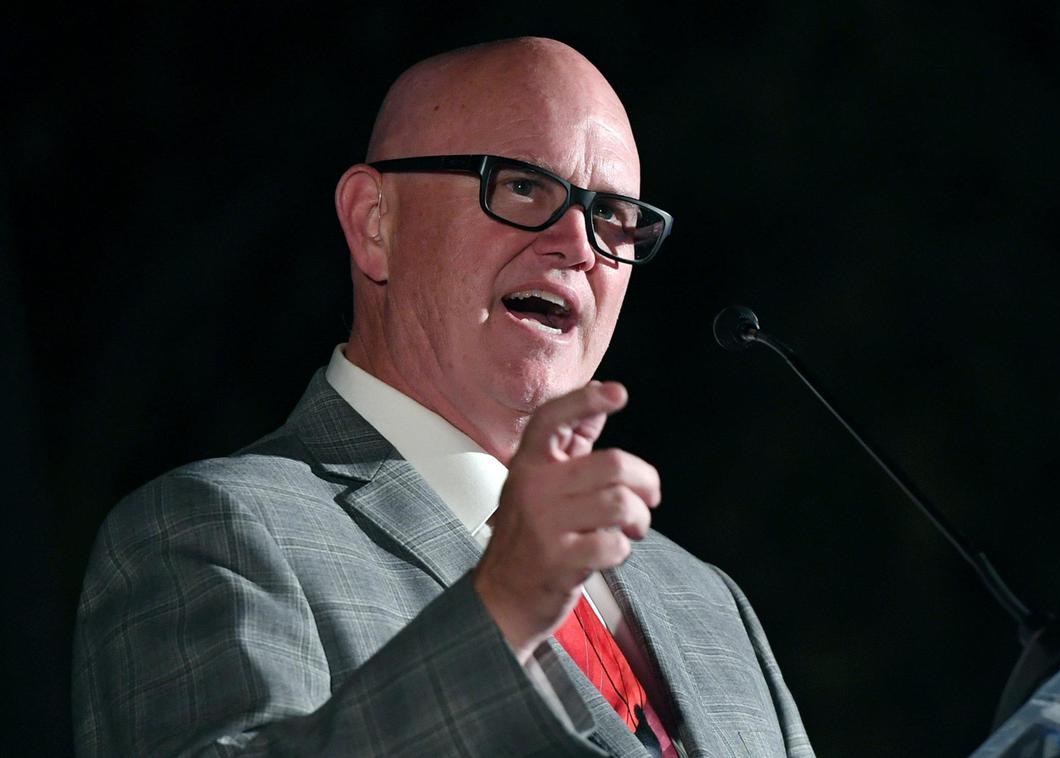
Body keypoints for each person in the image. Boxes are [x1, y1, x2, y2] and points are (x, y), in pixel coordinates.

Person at [73, 37, 814, 757]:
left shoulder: (709, 603)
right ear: (375, 224)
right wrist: (504, 607)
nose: (580, 245)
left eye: (612, 215)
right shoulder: (211, 533)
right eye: (524, 186)